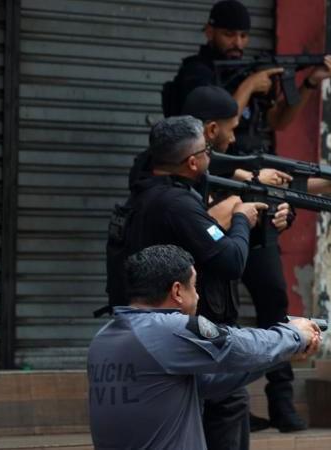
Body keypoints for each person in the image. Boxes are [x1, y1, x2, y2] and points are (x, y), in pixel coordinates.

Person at [164, 0, 331, 433]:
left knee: (273, 298)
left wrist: (309, 83)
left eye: (243, 36)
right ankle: (222, 403)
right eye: (229, 35)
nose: (238, 44)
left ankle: (281, 402)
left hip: (254, 189)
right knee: (214, 304)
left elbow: (278, 118)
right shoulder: (197, 78)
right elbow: (203, 130)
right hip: (212, 194)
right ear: (210, 32)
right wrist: (248, 87)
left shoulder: (251, 80)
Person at [105, 115, 264, 450]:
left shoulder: (144, 194)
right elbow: (232, 260)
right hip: (179, 332)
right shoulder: (176, 203)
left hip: (144, 331)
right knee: (228, 402)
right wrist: (241, 220)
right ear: (193, 162)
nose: (211, 157)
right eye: (207, 151)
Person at [89, 244, 321, 450]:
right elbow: (237, 345)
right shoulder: (169, 328)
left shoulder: (105, 337)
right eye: (195, 287)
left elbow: (206, 383)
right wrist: (294, 334)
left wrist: (282, 355)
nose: (199, 296)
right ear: (177, 291)